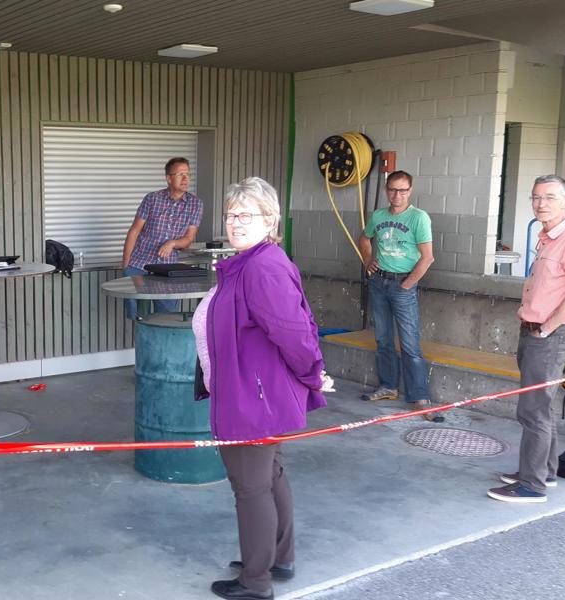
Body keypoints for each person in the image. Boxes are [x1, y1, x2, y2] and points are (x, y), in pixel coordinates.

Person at [192, 177, 327, 600]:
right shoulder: (245, 262)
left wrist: (313, 374)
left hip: (253, 401)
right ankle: (277, 558)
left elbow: (295, 332)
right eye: (231, 214)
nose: (235, 222)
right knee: (269, 476)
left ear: (270, 220)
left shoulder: (262, 267)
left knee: (251, 489)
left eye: (246, 214)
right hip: (251, 394)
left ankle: (256, 582)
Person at [488, 175, 565, 503]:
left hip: (549, 335)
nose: (540, 204)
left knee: (532, 411)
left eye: (549, 198)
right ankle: (546, 469)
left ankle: (531, 485)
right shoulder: (548, 237)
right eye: (535, 197)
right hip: (534, 332)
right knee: (541, 408)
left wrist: (546, 330)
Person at [357, 170, 442, 422]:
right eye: (393, 189)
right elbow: (364, 238)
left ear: (410, 191)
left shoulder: (419, 218)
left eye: (403, 190)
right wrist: (368, 260)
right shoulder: (379, 216)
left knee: (409, 343)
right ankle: (388, 387)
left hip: (402, 284)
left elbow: (428, 257)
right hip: (379, 282)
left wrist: (407, 285)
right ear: (386, 190)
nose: (397, 194)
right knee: (383, 338)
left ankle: (420, 398)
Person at [121, 157, 203, 319]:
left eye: (188, 174)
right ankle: (143, 343)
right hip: (139, 265)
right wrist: (125, 265)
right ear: (168, 178)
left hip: (168, 270)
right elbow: (134, 231)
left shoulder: (195, 204)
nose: (185, 179)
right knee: (138, 316)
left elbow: (188, 239)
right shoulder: (152, 198)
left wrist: (172, 243)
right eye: (180, 174)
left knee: (166, 317)